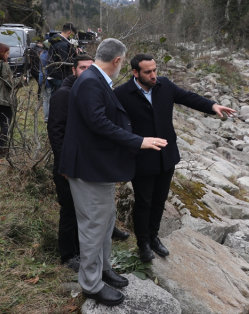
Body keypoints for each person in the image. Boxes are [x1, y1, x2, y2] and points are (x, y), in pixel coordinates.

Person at [59, 39, 167, 307]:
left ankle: (104, 268)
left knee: (106, 220)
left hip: (99, 166)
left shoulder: (94, 79)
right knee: (93, 226)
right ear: (118, 61)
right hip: (88, 167)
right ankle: (92, 285)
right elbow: (98, 122)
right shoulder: (91, 82)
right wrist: (138, 140)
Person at [114, 53, 236, 262]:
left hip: (166, 156)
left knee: (160, 200)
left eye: (155, 70)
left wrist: (212, 106)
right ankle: (143, 244)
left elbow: (188, 97)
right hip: (141, 157)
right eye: (148, 72)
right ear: (135, 72)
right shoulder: (121, 94)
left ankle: (154, 238)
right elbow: (111, 125)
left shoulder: (164, 85)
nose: (153, 75)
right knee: (144, 202)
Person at [47, 53, 130, 273]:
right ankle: (68, 254)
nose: (86, 70)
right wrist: (64, 164)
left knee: (85, 212)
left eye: (89, 67)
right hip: (68, 163)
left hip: (81, 162)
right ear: (73, 70)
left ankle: (90, 253)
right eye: (82, 67)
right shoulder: (64, 95)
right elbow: (56, 133)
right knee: (70, 210)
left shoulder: (89, 90)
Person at [48, 23, 81, 93]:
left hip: (53, 74)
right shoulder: (62, 45)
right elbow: (64, 62)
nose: (72, 37)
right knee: (60, 98)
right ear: (69, 32)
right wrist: (76, 57)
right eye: (73, 35)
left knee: (54, 98)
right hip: (60, 76)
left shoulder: (56, 41)